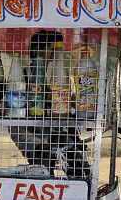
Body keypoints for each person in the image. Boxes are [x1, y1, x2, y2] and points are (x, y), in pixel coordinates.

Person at [8, 29, 91, 180]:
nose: (57, 53)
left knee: (83, 173)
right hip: (32, 137)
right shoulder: (22, 76)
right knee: (42, 176)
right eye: (53, 49)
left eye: (59, 49)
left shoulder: (65, 77)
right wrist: (37, 145)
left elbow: (80, 101)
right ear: (36, 50)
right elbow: (14, 125)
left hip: (59, 136)